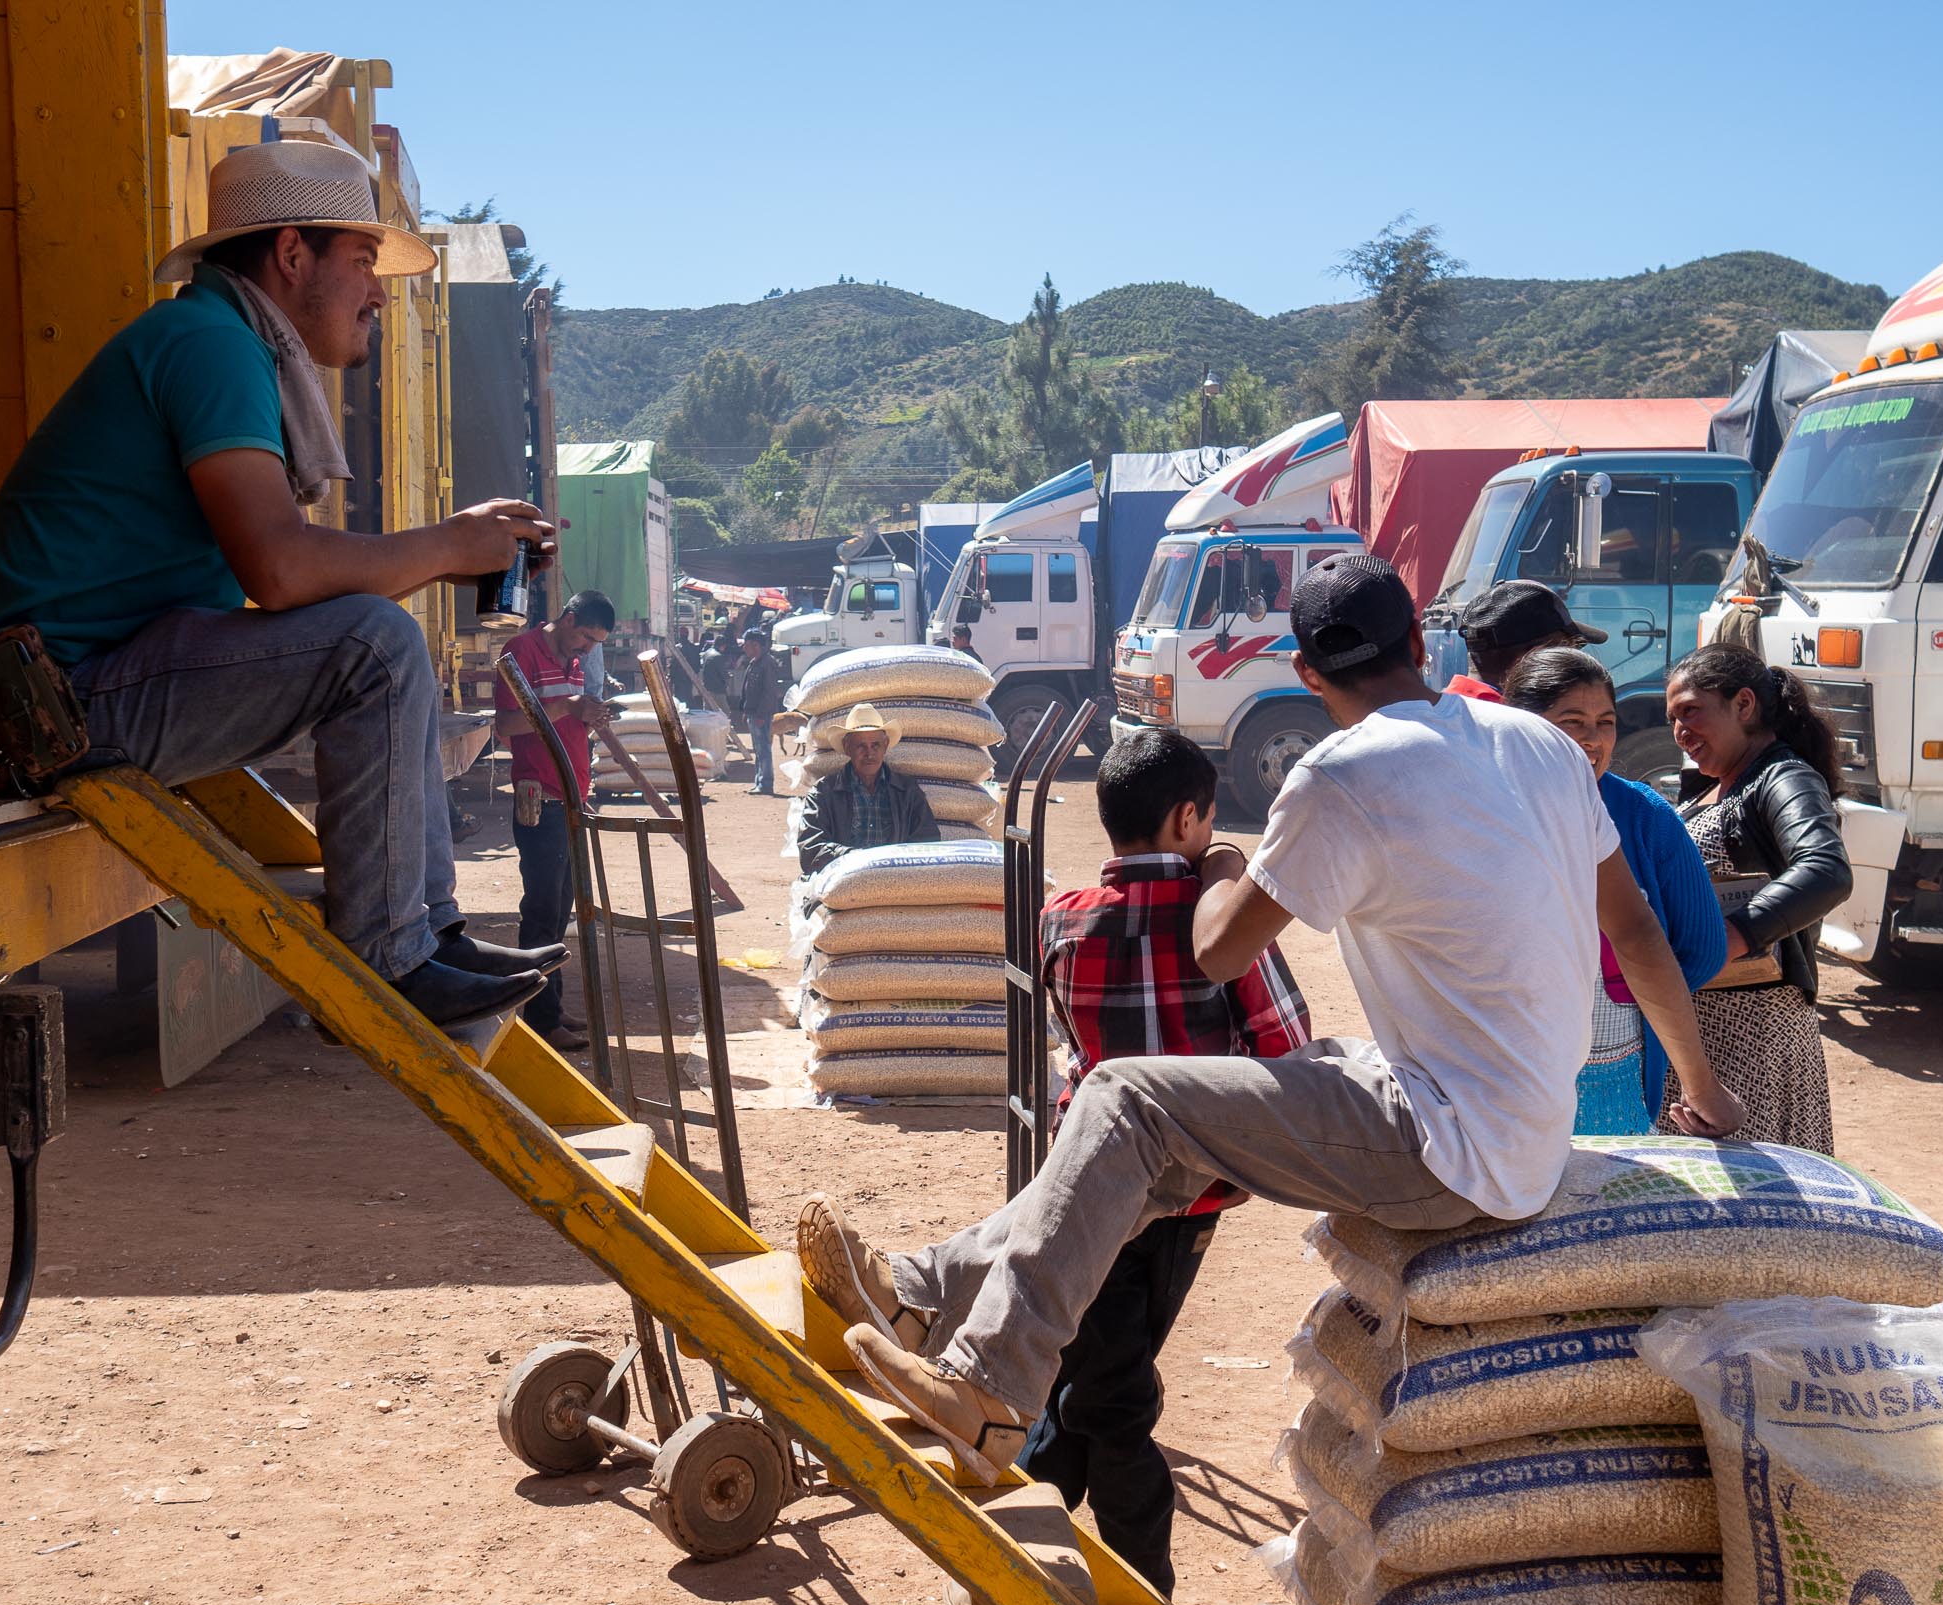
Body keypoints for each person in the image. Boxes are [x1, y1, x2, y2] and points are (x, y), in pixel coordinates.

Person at [794, 554, 1745, 1483]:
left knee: (1125, 1096)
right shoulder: (1537, 745)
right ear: (1421, 638)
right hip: (1520, 1118)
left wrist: (1221, 867)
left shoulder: (1341, 773)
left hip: (1455, 1147)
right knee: (1168, 1144)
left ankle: (993, 1388)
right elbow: (1636, 932)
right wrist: (1702, 1092)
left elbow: (1219, 950)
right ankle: (921, 1294)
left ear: (1304, 672)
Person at [0, 138, 560, 1030]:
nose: (377, 290)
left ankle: (429, 934)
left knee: (373, 636)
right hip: (63, 698)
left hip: (102, 669)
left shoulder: (222, 338)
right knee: (377, 643)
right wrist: (449, 545)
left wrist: (461, 540)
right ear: (292, 255)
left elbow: (288, 567)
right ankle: (392, 955)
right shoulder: (211, 346)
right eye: (363, 261)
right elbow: (282, 570)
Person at [1020, 728, 1311, 1593]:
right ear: (1188, 817)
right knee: (1114, 1395)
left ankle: (1014, 1566)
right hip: (1190, 1195)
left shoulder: (1062, 917)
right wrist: (1223, 870)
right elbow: (1286, 1045)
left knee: (1093, 1371)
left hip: (1086, 1178)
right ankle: (1141, 1589)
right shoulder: (1221, 930)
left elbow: (1070, 1042)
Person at [1504, 649, 1726, 1134]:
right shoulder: (1486, 812)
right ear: (1522, 726)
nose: (1592, 739)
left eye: (1605, 722)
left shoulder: (1644, 814)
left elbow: (1703, 948)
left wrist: (1644, 992)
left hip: (1605, 1062)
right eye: (1572, 721)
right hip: (1504, 1065)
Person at [1661, 643, 1853, 1152]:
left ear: (1743, 704)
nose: (1680, 731)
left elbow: (1825, 869)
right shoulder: (1707, 789)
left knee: (1751, 1207)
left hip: (1753, 1033)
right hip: (1698, 1032)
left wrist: (1731, 936)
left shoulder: (1783, 778)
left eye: (1691, 711)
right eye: (1673, 719)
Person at [495, 592, 619, 1054]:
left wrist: (584, 716)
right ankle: (541, 1019)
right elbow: (508, 724)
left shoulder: (569, 658)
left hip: (569, 798)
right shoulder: (521, 652)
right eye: (585, 637)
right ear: (567, 619)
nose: (587, 649)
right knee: (543, 913)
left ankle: (549, 1005)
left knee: (558, 912)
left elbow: (555, 722)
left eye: (594, 643)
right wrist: (571, 707)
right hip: (541, 798)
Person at [794, 705, 942, 876]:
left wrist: (893, 864)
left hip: (896, 883)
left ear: (885, 746)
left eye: (875, 745)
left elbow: (928, 842)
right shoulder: (824, 792)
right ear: (847, 747)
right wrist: (858, 858)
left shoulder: (907, 791)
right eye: (861, 746)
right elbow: (810, 850)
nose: (869, 753)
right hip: (844, 883)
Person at [1445, 578, 1607, 702]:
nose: (1573, 665)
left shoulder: (1441, 705)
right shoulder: (1521, 727)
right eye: (1567, 653)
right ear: (1536, 657)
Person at [727, 628, 784, 795]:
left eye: (746, 645)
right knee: (759, 749)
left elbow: (768, 692)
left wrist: (759, 714)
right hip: (754, 713)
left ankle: (765, 783)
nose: (744, 648)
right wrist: (747, 709)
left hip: (761, 714)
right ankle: (760, 781)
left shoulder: (767, 663)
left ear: (756, 645)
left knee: (763, 749)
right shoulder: (756, 662)